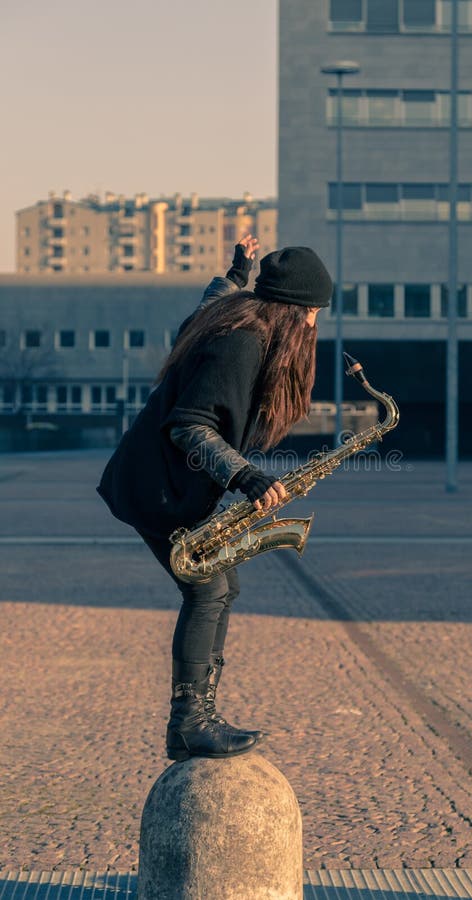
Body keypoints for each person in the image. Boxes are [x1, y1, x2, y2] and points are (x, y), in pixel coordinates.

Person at [97, 236, 332, 761]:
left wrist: (236, 273)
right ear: (294, 311)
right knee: (208, 592)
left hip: (163, 483)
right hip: (158, 488)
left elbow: (203, 308)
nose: (316, 326)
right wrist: (246, 477)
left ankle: (198, 716)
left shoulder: (234, 316)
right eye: (315, 314)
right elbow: (191, 427)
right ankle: (189, 723)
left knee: (222, 587)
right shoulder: (242, 344)